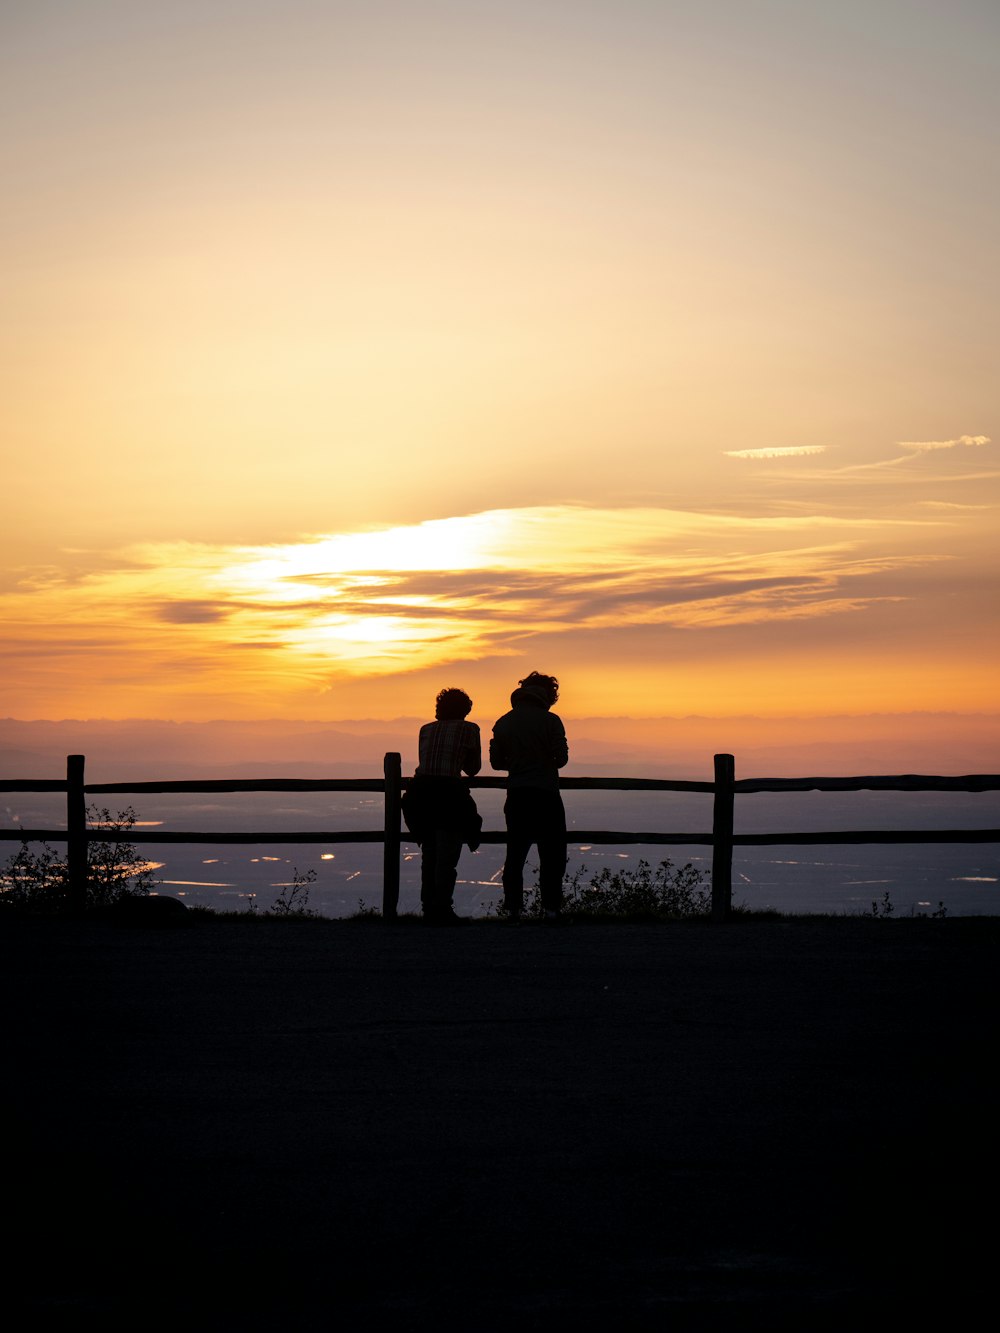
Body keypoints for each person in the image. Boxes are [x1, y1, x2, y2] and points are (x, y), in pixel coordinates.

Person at [489, 671, 569, 921]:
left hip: (518, 795)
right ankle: (551, 911)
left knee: (515, 855)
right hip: (546, 794)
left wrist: (518, 762)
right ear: (547, 694)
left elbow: (495, 762)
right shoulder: (552, 721)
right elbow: (562, 759)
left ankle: (513, 911)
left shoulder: (503, 722)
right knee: (552, 856)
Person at [401, 688, 482, 925]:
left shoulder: (426, 729)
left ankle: (429, 908)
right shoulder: (470, 729)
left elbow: (425, 761)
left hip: (420, 793)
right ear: (465, 710)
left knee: (430, 853)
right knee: (447, 856)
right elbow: (473, 769)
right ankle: (442, 909)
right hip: (448, 794)